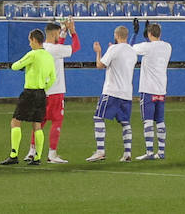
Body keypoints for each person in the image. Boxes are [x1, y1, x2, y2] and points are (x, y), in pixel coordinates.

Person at [1, 28, 55, 166]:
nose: (29, 44)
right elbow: (53, 78)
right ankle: (37, 157)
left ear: (34, 40)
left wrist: (22, 66)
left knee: (15, 121)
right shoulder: (49, 56)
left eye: (30, 41)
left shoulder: (32, 54)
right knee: (37, 124)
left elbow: (15, 66)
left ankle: (14, 154)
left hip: (29, 92)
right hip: (41, 93)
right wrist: (44, 87)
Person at [87, 25, 138, 163]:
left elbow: (100, 65)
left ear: (116, 35)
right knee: (125, 122)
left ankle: (100, 151)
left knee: (98, 117)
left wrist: (98, 52)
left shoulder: (113, 49)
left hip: (112, 91)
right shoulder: (132, 51)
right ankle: (127, 153)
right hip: (127, 93)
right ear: (126, 36)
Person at [34, 17, 79, 163]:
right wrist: (72, 32)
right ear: (54, 34)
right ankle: (52, 154)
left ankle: (32, 151)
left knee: (39, 122)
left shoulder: (44, 48)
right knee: (57, 121)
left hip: (42, 91)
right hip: (55, 91)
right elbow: (76, 47)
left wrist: (64, 31)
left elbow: (59, 44)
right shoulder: (55, 50)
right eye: (58, 33)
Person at [132, 22, 172, 160]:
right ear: (160, 33)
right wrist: (147, 38)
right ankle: (161, 151)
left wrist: (135, 34)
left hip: (148, 89)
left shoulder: (147, 47)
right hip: (161, 89)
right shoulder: (167, 46)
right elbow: (153, 48)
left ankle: (149, 152)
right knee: (160, 121)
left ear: (149, 34)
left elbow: (130, 49)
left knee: (148, 121)